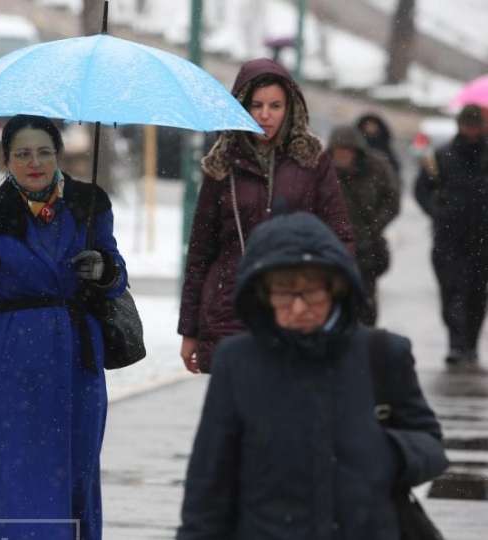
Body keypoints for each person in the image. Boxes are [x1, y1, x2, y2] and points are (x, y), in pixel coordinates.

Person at [176, 212, 449, 540]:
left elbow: (430, 444)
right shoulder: (237, 362)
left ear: (336, 289)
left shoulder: (382, 353)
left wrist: (389, 452)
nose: (299, 308)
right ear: (262, 296)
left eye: (312, 292)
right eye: (284, 293)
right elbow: (210, 479)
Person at [0, 114, 128, 540]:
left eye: (44, 152)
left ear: (58, 154)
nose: (34, 162)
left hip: (77, 360)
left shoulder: (90, 204)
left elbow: (117, 276)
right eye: (23, 154)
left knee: (75, 473)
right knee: (17, 476)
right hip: (12, 364)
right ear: (6, 159)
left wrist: (104, 269)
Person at [179, 57, 354, 373]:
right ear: (240, 107)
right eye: (256, 105)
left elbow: (340, 236)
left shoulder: (313, 161)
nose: (264, 115)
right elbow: (201, 252)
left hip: (296, 306)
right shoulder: (221, 165)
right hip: (228, 311)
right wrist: (189, 330)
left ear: (290, 108)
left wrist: (338, 308)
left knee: (288, 413)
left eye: (275, 106)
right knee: (238, 415)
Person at [415, 104, 488, 368]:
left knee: (476, 296)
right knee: (451, 291)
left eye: (475, 125)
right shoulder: (442, 156)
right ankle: (456, 344)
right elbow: (422, 188)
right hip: (448, 238)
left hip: (482, 239)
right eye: (467, 124)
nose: (471, 130)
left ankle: (469, 344)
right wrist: (436, 212)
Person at [325, 125, 401, 325]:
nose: (341, 156)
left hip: (367, 247)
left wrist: (374, 226)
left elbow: (392, 200)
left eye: (346, 151)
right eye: (337, 151)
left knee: (365, 300)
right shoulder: (322, 171)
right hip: (332, 247)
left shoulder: (377, 167)